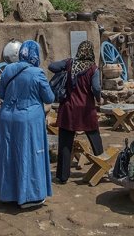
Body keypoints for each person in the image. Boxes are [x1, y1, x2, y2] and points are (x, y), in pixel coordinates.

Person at [0, 40, 55, 208]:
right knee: (29, 155)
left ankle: (10, 194)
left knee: (9, 155)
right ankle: (30, 195)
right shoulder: (37, 73)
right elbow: (49, 98)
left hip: (7, 118)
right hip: (29, 120)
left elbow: (1, 94)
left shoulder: (7, 69)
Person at [49, 40, 104, 184]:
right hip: (86, 109)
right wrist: (98, 98)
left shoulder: (69, 63)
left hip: (68, 108)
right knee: (94, 137)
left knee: (65, 142)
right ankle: (102, 167)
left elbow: (51, 66)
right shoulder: (93, 68)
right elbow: (96, 88)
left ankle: (62, 176)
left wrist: (66, 66)